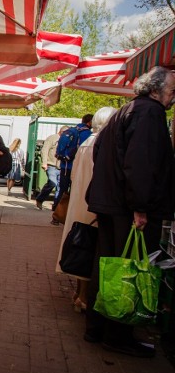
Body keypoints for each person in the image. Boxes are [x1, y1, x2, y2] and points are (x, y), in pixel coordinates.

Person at [85, 66, 175, 358]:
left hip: (112, 204)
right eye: (172, 91)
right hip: (129, 209)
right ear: (155, 89)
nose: (173, 97)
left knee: (108, 266)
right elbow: (141, 163)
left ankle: (96, 327)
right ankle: (118, 334)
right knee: (129, 270)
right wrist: (140, 207)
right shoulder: (149, 113)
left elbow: (100, 153)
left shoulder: (125, 111)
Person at [55, 107, 116, 313]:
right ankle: (83, 296)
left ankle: (79, 293)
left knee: (80, 248)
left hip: (80, 201)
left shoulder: (85, 143)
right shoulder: (102, 145)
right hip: (93, 204)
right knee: (89, 250)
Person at [52, 114, 93, 225]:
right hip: (76, 167)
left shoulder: (71, 130)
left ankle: (56, 215)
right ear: (89, 122)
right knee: (77, 192)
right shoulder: (87, 134)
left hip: (64, 165)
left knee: (62, 190)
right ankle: (70, 216)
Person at [35, 126, 69, 210]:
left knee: (60, 187)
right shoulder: (52, 138)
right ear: (61, 132)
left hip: (61, 166)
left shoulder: (66, 140)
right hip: (52, 165)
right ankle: (40, 199)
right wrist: (44, 163)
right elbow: (45, 149)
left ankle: (56, 206)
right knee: (52, 183)